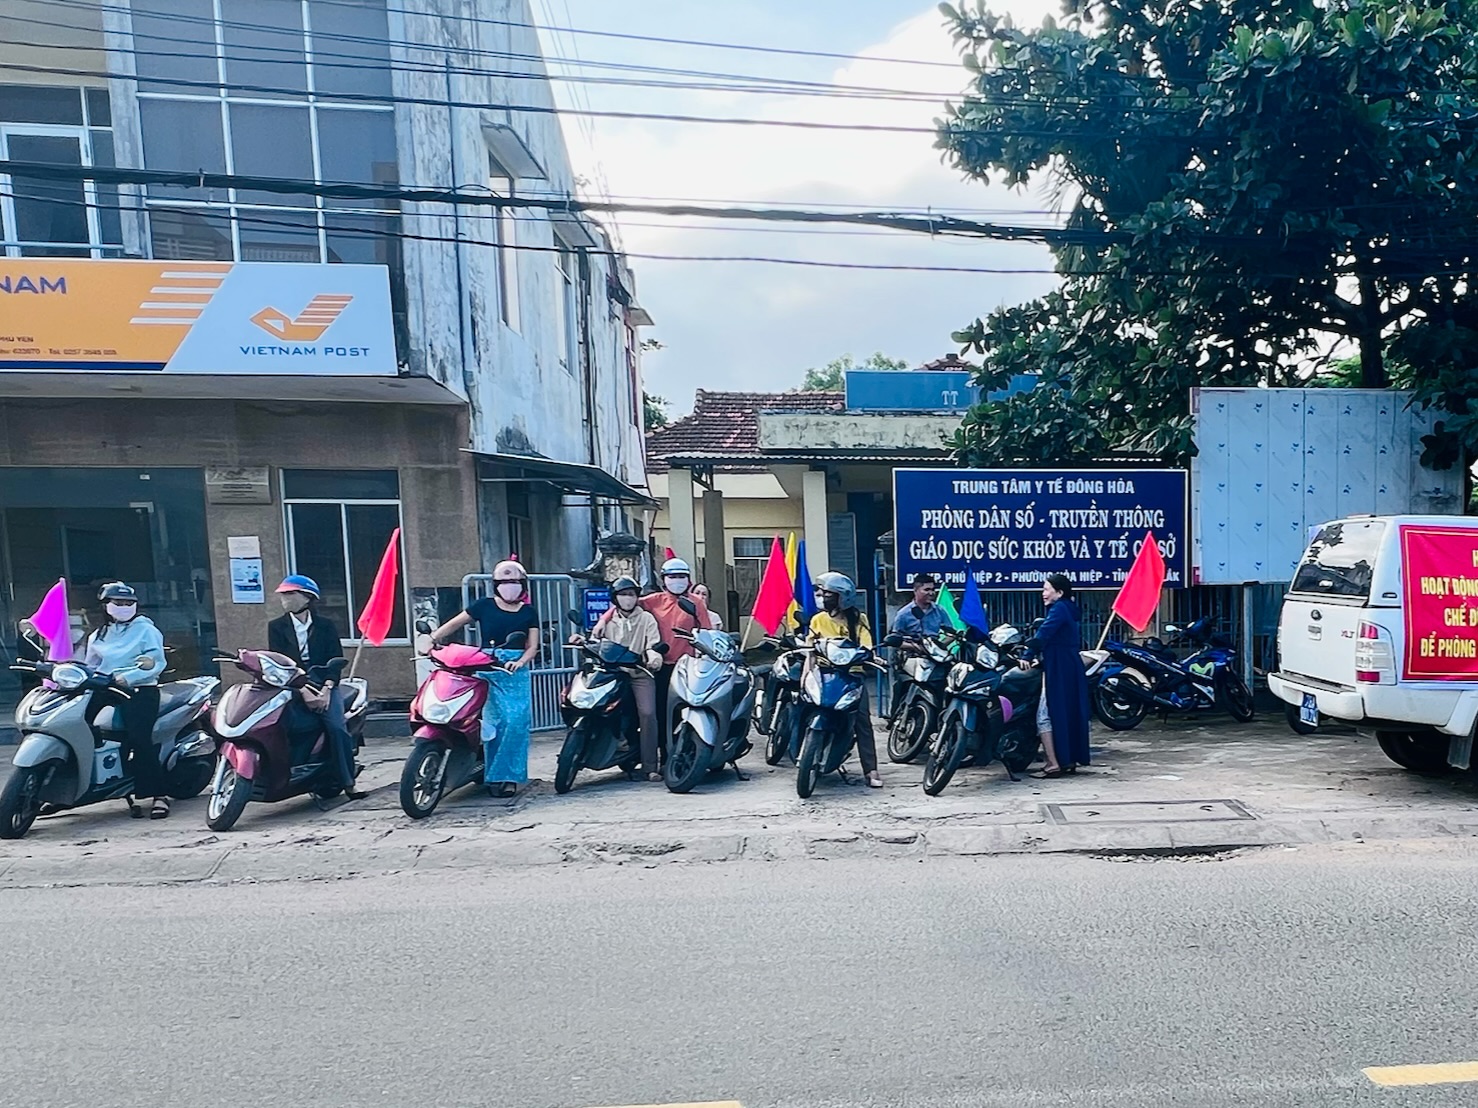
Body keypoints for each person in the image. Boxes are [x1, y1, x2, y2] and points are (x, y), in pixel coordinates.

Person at [431, 560, 540, 798]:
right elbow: (454, 624)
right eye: (504, 581)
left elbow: (532, 646)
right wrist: (432, 638)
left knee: (515, 723)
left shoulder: (528, 612)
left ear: (523, 584)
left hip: (514, 672)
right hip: (486, 666)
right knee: (491, 724)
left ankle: (508, 776)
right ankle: (490, 773)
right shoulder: (483, 606)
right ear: (495, 584)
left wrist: (521, 661)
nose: (509, 586)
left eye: (515, 581)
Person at [267, 575, 366, 799]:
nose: (285, 599)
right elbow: (279, 662)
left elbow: (335, 660)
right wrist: (301, 689)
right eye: (283, 595)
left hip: (323, 683)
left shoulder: (326, 626)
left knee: (337, 728)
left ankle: (348, 782)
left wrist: (327, 690)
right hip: (292, 685)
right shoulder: (276, 627)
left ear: (307, 598)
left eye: (290, 594)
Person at [83, 583, 169, 818]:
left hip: (139, 689)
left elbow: (156, 662)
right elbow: (89, 665)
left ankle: (158, 795)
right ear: (105, 606)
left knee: (139, 739)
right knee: (79, 728)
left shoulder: (146, 630)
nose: (124, 607)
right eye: (118, 603)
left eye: (129, 603)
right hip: (104, 688)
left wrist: (128, 677)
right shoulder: (98, 635)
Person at [580, 576, 664, 781]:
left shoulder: (646, 618)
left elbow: (653, 644)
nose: (628, 598)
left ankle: (650, 766)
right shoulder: (607, 620)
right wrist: (582, 640)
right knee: (594, 707)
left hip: (638, 672)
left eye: (631, 594)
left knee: (648, 713)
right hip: (612, 673)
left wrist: (653, 657)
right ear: (615, 598)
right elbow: (595, 641)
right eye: (623, 594)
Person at [804, 571, 883, 789]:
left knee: (862, 720)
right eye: (822, 592)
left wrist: (870, 655)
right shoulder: (818, 619)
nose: (823, 596)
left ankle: (871, 770)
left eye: (828, 593)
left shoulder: (858, 619)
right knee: (804, 704)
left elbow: (866, 645)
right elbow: (810, 650)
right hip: (824, 672)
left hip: (852, 674)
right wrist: (806, 674)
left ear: (842, 597)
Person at [1020, 573, 1093, 778]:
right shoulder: (1069, 608)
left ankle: (1053, 763)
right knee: (1067, 712)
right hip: (1068, 665)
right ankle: (1067, 760)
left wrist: (1028, 655)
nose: (1043, 593)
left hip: (1060, 667)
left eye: (1046, 589)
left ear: (1059, 592)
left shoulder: (1059, 609)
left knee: (1045, 714)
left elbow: (1044, 633)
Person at [640, 557, 711, 764]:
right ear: (664, 579)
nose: (677, 580)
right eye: (672, 576)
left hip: (687, 667)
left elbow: (707, 632)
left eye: (681, 576)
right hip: (660, 666)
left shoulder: (695, 603)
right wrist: (603, 620)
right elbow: (625, 604)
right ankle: (664, 757)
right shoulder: (654, 600)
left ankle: (686, 753)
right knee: (661, 713)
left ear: (688, 579)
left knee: (685, 711)